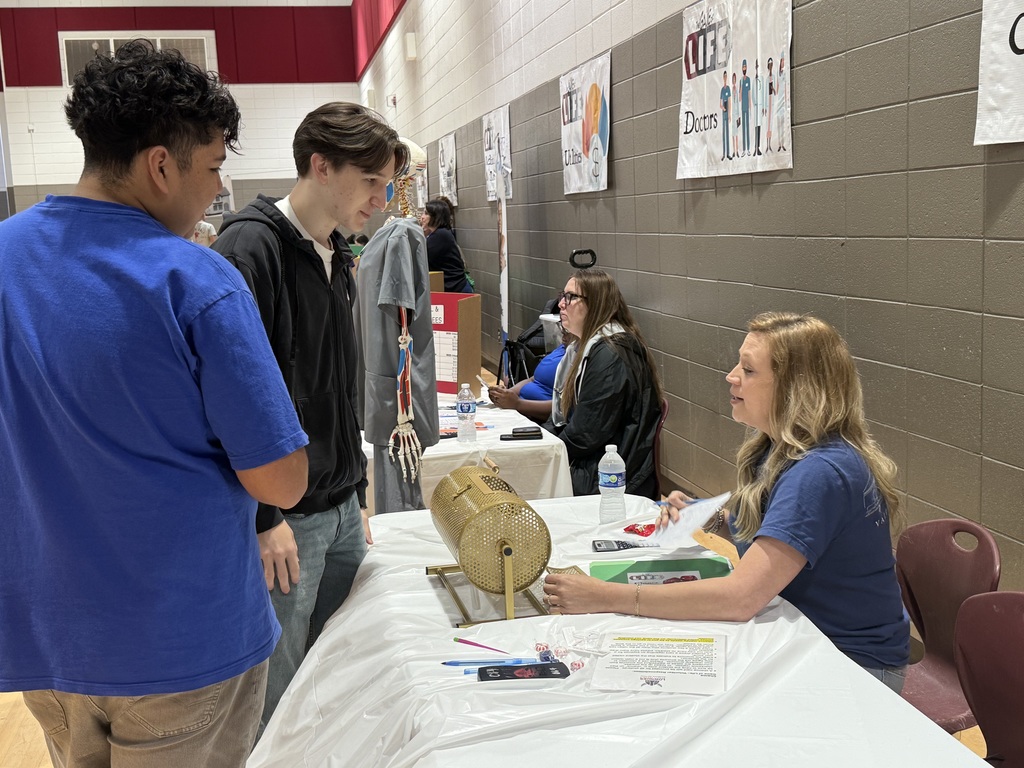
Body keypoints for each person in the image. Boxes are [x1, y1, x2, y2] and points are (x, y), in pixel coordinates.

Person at [0, 40, 310, 767]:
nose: (216, 194)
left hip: (46, 636)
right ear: (160, 166)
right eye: (211, 170)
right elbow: (281, 480)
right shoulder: (193, 280)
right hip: (181, 643)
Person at [544, 312, 911, 693]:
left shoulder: (818, 473)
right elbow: (772, 539)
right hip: (808, 635)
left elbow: (741, 598)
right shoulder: (783, 449)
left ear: (794, 388)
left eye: (749, 371)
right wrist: (713, 519)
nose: (731, 376)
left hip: (853, 665)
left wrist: (608, 596)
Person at [212, 102, 408, 728]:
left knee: (338, 673)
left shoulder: (338, 253)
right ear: (322, 167)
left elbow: (333, 390)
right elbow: (231, 398)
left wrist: (354, 491)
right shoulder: (251, 248)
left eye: (387, 186)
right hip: (286, 521)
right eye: (372, 182)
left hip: (340, 507)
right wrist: (265, 517)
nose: (381, 200)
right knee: (279, 695)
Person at [547, 269, 662, 498]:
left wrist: (545, 450)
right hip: (593, 460)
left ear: (596, 304)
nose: (561, 304)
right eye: (563, 295)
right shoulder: (585, 347)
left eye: (570, 297)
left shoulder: (610, 355)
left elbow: (585, 435)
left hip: (612, 476)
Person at [489, 329, 570, 423]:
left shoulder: (576, 358)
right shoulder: (562, 348)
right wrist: (507, 393)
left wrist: (518, 404)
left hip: (538, 418)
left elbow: (563, 407)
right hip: (519, 409)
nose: (562, 331)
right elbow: (532, 379)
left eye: (566, 329)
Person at [420, 197, 471, 292]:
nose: (422, 217)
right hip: (452, 286)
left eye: (426, 213)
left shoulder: (440, 235)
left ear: (436, 216)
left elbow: (421, 257)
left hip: (456, 288)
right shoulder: (438, 233)